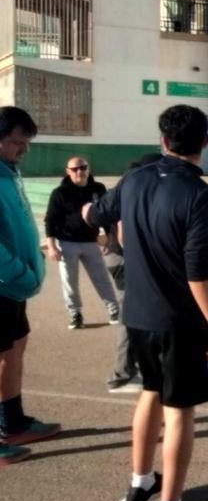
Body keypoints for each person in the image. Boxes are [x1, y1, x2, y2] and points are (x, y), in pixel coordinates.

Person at [82, 105, 208, 501]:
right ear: (205, 142)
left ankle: (139, 483)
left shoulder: (135, 179)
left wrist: (91, 212)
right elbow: (197, 269)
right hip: (179, 320)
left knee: (149, 393)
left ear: (163, 141)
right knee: (179, 410)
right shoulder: (202, 196)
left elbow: (94, 213)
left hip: (138, 315)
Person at [0, 107, 59, 466]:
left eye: (27, 143)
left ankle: (13, 421)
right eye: (16, 142)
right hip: (4, 285)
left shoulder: (9, 174)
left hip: (14, 288)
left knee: (14, 352)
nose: (22, 149)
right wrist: (20, 273)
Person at [103, 153, 163, 395]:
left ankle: (134, 367)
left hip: (119, 257)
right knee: (131, 315)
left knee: (138, 314)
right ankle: (121, 375)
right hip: (125, 260)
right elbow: (123, 233)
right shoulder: (133, 189)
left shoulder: (126, 187)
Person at [44, 156, 120, 329]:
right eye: (75, 169)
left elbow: (107, 214)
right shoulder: (59, 193)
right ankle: (75, 314)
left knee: (102, 278)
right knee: (69, 281)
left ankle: (114, 310)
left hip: (90, 242)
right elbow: (50, 220)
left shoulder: (98, 189)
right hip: (67, 243)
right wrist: (51, 245)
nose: (80, 171)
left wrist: (109, 237)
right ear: (68, 171)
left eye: (83, 167)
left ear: (88, 168)